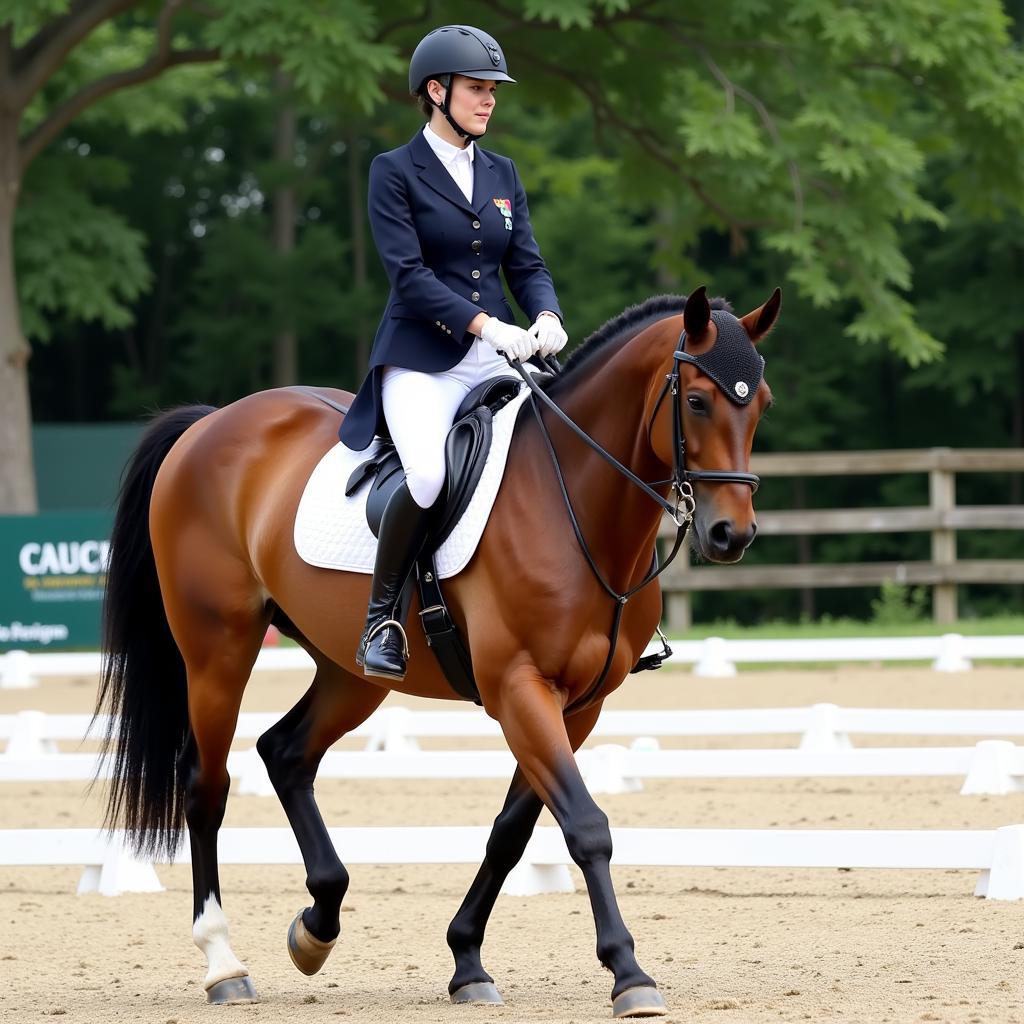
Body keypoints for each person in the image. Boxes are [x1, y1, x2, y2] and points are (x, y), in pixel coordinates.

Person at [340, 24, 568, 681]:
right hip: (422, 358)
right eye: (477, 89)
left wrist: (546, 312)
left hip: (498, 351)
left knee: (570, 440)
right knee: (429, 476)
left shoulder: (502, 173)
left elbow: (525, 263)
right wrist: (489, 328)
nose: (489, 100)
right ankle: (382, 618)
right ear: (436, 92)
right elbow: (408, 276)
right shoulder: (394, 171)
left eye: (493, 90)